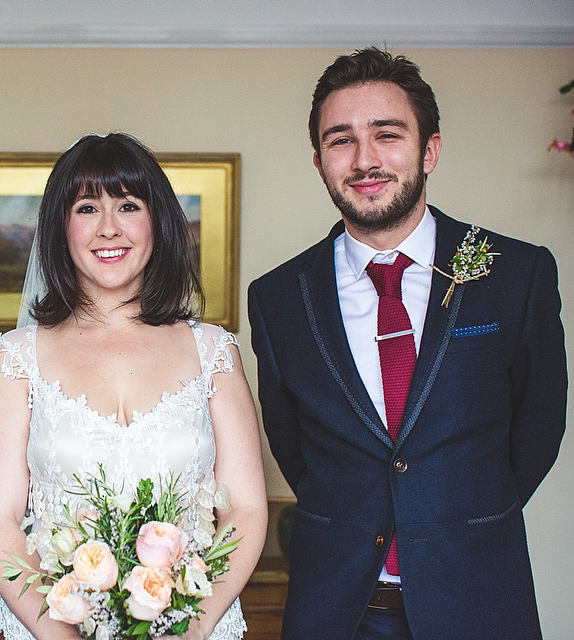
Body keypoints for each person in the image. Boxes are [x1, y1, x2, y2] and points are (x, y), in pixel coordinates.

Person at [248, 47, 567, 640]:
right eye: (340, 140)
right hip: (335, 610)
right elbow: (294, 448)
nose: (364, 159)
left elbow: (538, 428)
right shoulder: (278, 298)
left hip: (478, 601)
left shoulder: (515, 275)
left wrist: (456, 516)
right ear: (318, 162)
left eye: (387, 134)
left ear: (430, 150)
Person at [0, 133, 268, 640]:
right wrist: (60, 634)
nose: (108, 228)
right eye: (87, 207)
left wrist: (193, 627)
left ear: (157, 223)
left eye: (128, 205)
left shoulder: (214, 353)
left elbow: (245, 509)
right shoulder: (15, 359)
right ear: (60, 229)